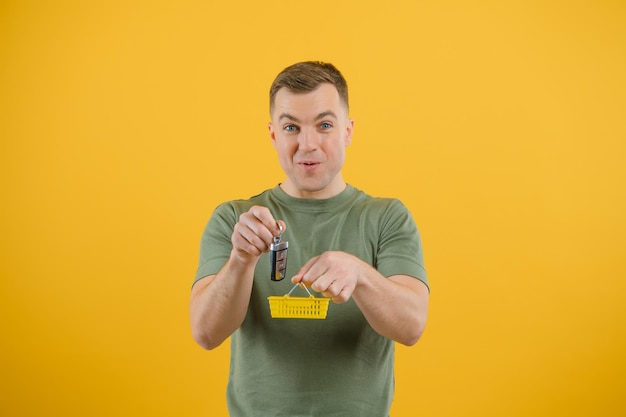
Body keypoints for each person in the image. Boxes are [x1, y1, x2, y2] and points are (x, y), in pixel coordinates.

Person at [190, 61, 429, 417]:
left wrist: (359, 274)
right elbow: (206, 333)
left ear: (347, 131)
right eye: (291, 127)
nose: (307, 144)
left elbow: (411, 326)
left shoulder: (387, 217)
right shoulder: (235, 219)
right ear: (274, 135)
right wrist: (240, 260)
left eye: (325, 125)